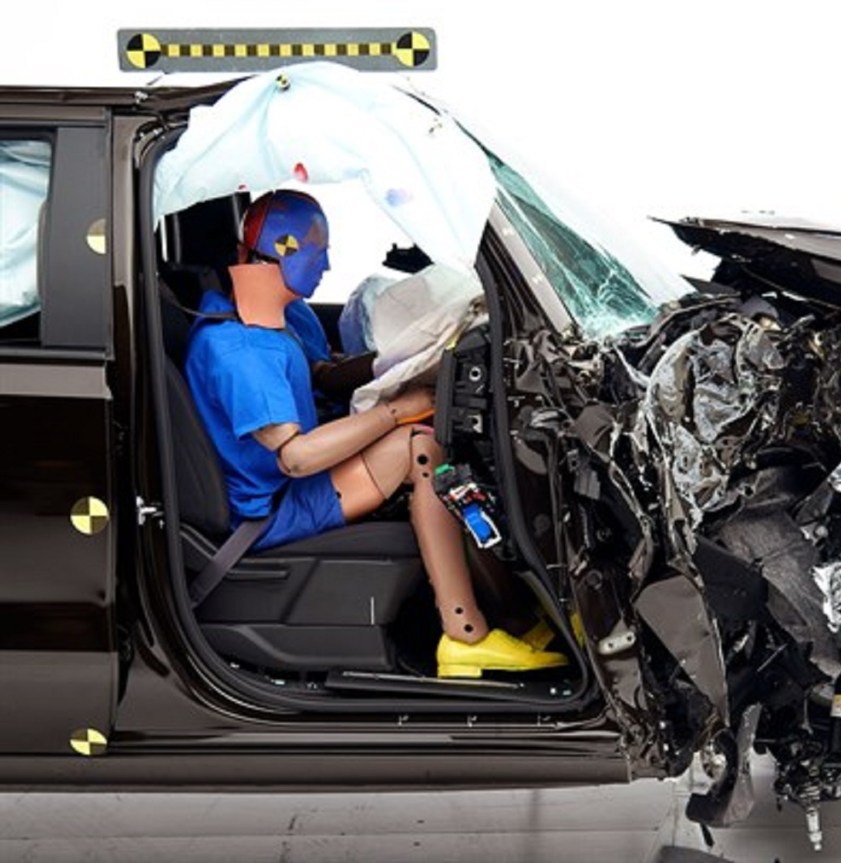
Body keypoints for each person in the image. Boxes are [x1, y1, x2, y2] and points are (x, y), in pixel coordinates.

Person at [185, 189, 566, 679]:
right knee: (422, 451)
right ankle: (464, 636)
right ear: (286, 251)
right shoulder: (241, 353)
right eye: (318, 251)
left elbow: (322, 373)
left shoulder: (276, 317)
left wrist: (412, 358)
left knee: (435, 446)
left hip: (297, 479)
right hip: (274, 507)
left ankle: (514, 614)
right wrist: (395, 410)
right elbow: (295, 458)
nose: (327, 263)